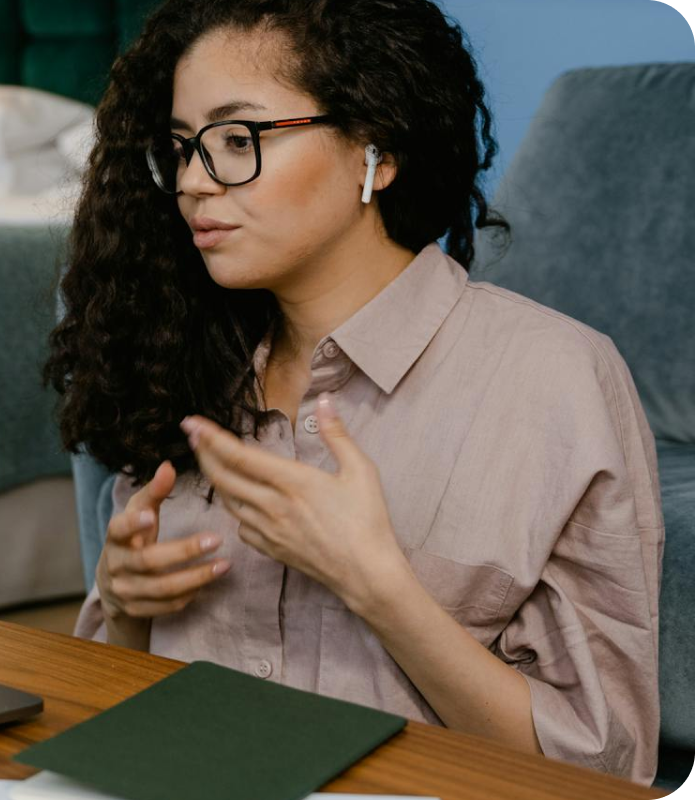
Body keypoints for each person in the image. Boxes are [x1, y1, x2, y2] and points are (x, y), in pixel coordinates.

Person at [41, 0, 663, 786]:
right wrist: (126, 608)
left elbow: (603, 770)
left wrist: (376, 585)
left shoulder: (553, 379)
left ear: (377, 148)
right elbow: (100, 718)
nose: (196, 182)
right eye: (182, 148)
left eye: (239, 141)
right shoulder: (183, 362)